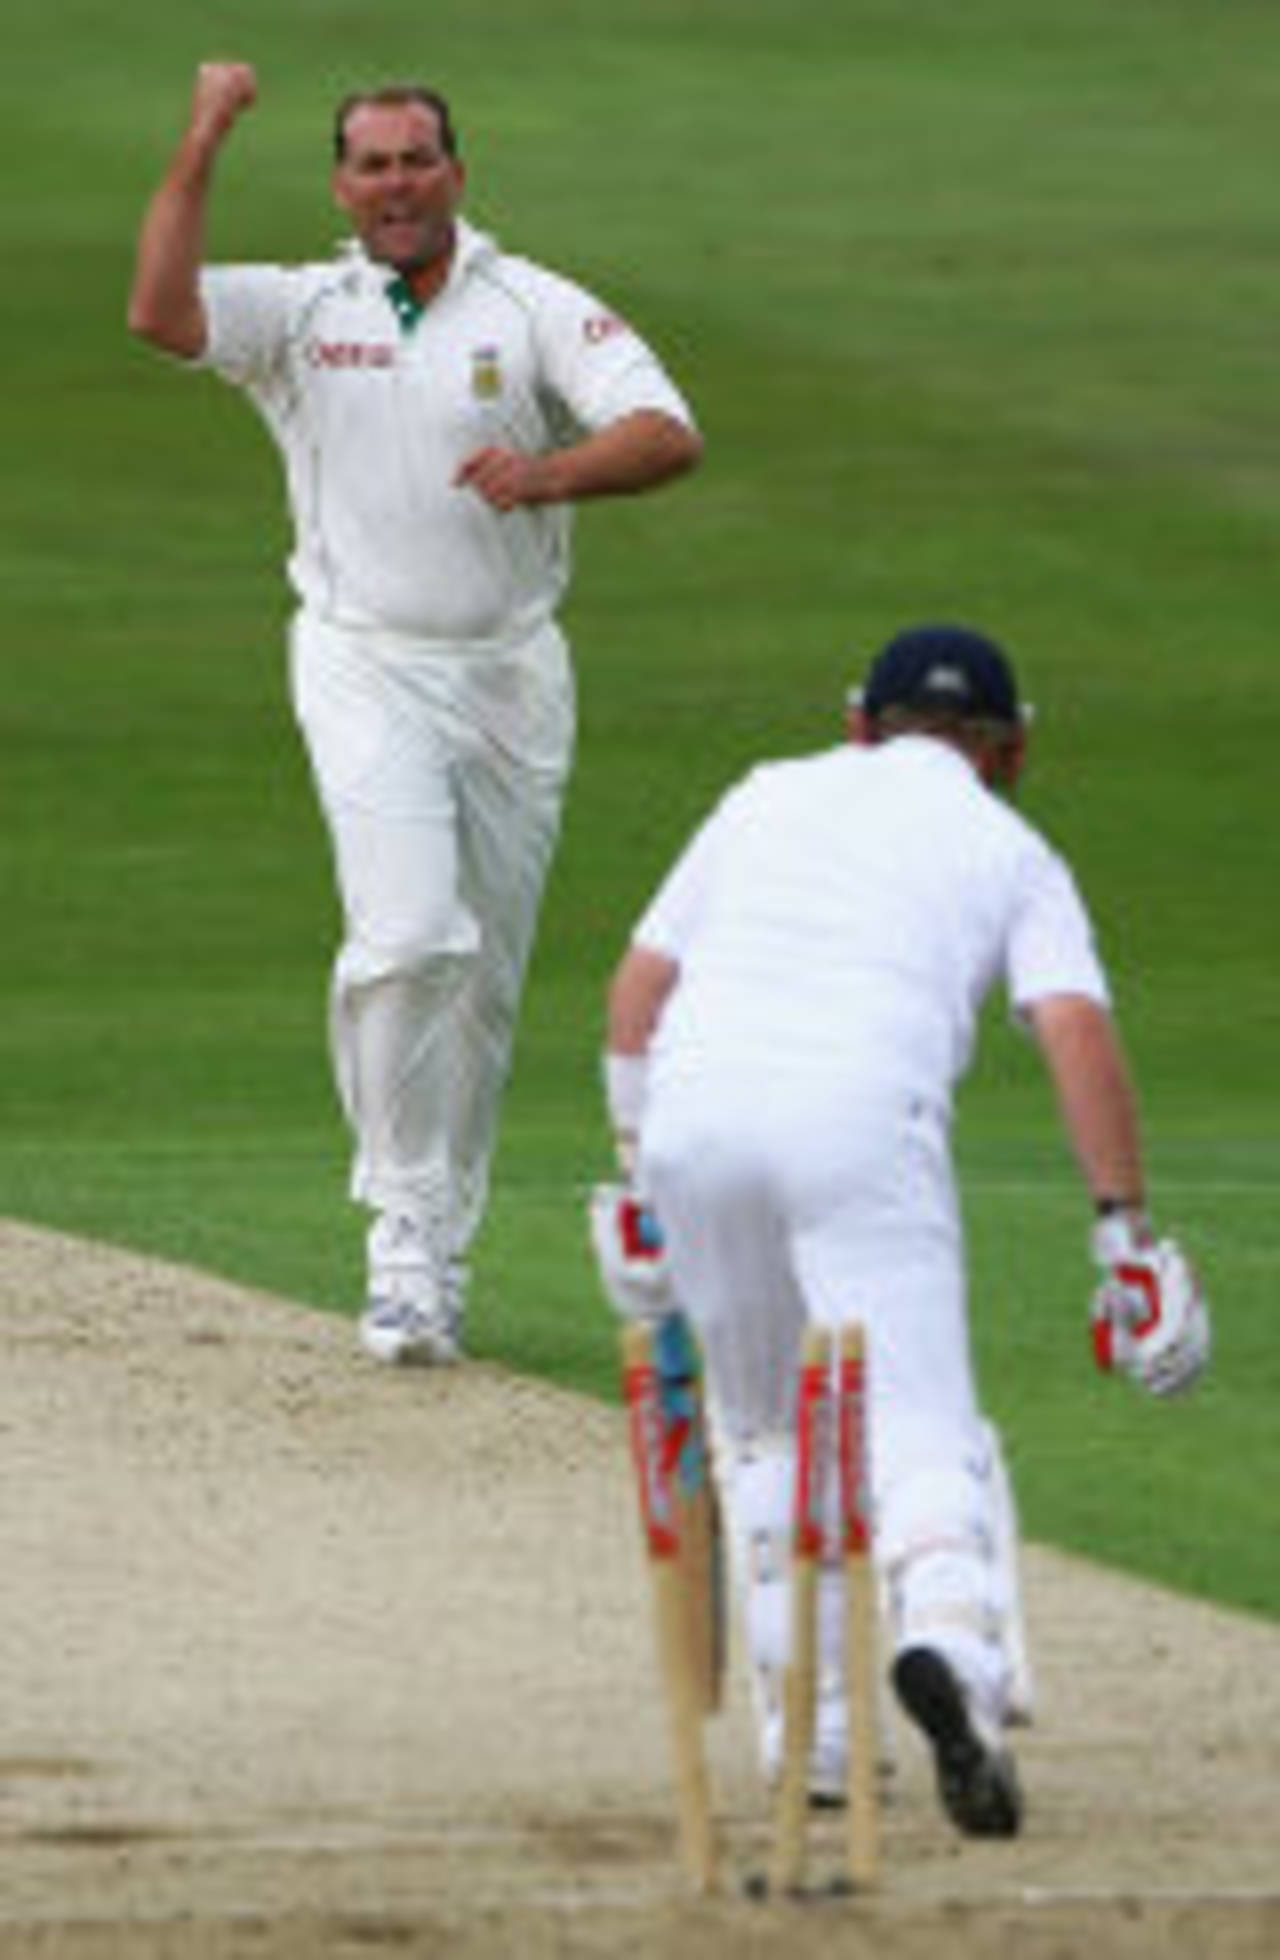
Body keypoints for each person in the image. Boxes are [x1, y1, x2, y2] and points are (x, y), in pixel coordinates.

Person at [590, 623, 1210, 1837]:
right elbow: (1071, 1026)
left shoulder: (763, 794)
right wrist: (1123, 1239)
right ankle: (952, 1659)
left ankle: (813, 1743)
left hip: (692, 1115)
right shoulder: (1009, 847)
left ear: (857, 725)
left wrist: (634, 1181)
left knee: (762, 1431)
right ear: (1009, 750)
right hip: (861, 1119)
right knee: (921, 1428)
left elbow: (635, 996)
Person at [128, 65, 704, 1367]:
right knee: (405, 939)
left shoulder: (529, 303)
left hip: (509, 671)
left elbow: (667, 432)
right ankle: (397, 1242)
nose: (396, 184)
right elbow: (159, 311)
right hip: (362, 659)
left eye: (416, 160)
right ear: (342, 186)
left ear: (456, 173)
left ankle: (440, 1251)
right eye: (372, 165)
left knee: (480, 983)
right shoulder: (302, 310)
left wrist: (548, 473)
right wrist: (204, 136)